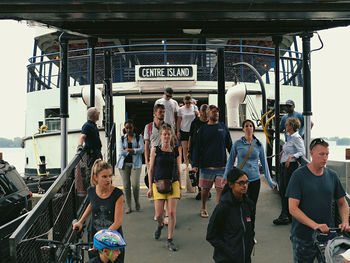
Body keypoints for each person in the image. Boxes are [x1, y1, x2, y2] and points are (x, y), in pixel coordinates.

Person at [286, 138, 350, 263]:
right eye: (321, 154)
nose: (325, 158)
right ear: (311, 153)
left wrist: (345, 221)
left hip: (328, 237)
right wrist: (315, 225)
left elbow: (342, 203)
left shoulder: (332, 176)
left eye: (327, 154)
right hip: (303, 238)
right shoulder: (298, 176)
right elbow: (292, 208)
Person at [73, 159, 125, 262]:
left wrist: (101, 240)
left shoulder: (117, 194)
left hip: (112, 242)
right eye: (104, 176)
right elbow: (92, 205)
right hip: (94, 235)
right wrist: (80, 221)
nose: (108, 179)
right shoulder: (91, 191)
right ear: (95, 177)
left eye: (110, 176)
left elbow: (117, 222)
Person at [206, 167, 255, 263]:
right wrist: (229, 251)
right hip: (226, 259)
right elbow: (211, 235)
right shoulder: (223, 208)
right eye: (241, 183)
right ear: (231, 184)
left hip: (245, 258)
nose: (245, 186)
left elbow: (251, 229)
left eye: (246, 182)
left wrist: (250, 245)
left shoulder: (248, 205)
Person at [224, 119, 276, 208]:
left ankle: (251, 222)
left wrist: (270, 180)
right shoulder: (237, 144)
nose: (248, 128)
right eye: (246, 126)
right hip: (241, 180)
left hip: (255, 179)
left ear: (253, 129)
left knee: (252, 206)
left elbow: (264, 163)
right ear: (243, 129)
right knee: (241, 205)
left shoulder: (259, 145)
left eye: (251, 126)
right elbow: (230, 161)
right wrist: (225, 177)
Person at [192, 105, 232, 218]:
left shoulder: (223, 127)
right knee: (205, 190)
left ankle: (218, 211)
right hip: (206, 166)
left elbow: (229, 145)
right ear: (208, 114)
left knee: (221, 189)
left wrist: (234, 160)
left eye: (217, 112)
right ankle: (203, 207)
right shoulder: (203, 129)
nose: (216, 114)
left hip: (222, 166)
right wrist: (195, 165)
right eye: (213, 112)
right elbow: (197, 148)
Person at [147, 124, 182, 251]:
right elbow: (151, 169)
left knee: (171, 213)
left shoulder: (175, 150)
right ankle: (160, 225)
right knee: (159, 215)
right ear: (160, 136)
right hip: (158, 184)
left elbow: (178, 169)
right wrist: (150, 187)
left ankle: (170, 239)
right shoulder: (155, 150)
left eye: (168, 134)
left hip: (173, 184)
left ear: (171, 135)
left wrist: (180, 187)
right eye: (164, 134)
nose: (166, 136)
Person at [273, 118, 305, 225]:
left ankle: (286, 215)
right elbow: (289, 147)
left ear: (291, 126)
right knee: (283, 190)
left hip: (290, 167)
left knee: (286, 190)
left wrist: (292, 156)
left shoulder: (296, 138)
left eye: (287, 124)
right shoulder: (289, 137)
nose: (285, 126)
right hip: (284, 167)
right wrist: (283, 151)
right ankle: (286, 214)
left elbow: (302, 152)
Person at [117, 119, 144, 214]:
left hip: (136, 164)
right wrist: (134, 150)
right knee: (126, 186)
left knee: (135, 185)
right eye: (126, 128)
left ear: (133, 128)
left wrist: (132, 150)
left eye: (130, 128)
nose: (128, 130)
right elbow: (121, 152)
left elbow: (142, 150)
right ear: (125, 128)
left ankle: (137, 202)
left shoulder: (138, 137)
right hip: (123, 165)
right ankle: (128, 206)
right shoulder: (121, 139)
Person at [188, 104, 209, 200]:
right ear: (199, 112)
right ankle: (201, 191)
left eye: (206, 110)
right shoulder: (195, 123)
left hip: (208, 152)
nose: (204, 113)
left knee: (206, 172)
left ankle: (206, 190)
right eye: (203, 111)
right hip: (196, 151)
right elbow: (190, 137)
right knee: (198, 172)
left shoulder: (211, 122)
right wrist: (188, 150)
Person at [177, 94, 196, 166]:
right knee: (185, 149)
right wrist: (178, 131)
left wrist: (198, 113)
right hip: (184, 130)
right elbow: (179, 121)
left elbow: (199, 117)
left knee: (192, 148)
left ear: (191, 102)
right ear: (184, 102)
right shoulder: (181, 109)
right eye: (186, 103)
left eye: (189, 103)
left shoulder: (194, 108)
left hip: (192, 130)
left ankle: (193, 164)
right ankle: (186, 164)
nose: (187, 104)